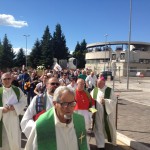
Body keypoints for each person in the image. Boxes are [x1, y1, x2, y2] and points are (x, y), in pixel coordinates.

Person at [25, 86, 90, 150]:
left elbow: (85, 145)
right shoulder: (42, 124)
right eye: (64, 104)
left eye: (72, 103)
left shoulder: (80, 121)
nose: (69, 108)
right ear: (55, 104)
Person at [0, 72, 27, 150]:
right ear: (1, 80)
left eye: (9, 78)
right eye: (5, 79)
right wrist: (2, 109)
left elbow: (24, 101)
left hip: (14, 119)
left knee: (15, 140)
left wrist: (15, 107)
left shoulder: (17, 90)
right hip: (3, 120)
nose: (7, 80)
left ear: (11, 79)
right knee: (5, 141)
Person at [91, 76, 117, 150]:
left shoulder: (109, 90)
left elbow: (114, 101)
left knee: (109, 127)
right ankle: (100, 145)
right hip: (97, 113)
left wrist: (105, 102)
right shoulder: (95, 90)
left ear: (104, 83)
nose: (97, 85)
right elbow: (91, 102)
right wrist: (92, 112)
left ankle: (112, 141)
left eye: (99, 83)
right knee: (98, 128)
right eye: (97, 83)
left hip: (107, 113)